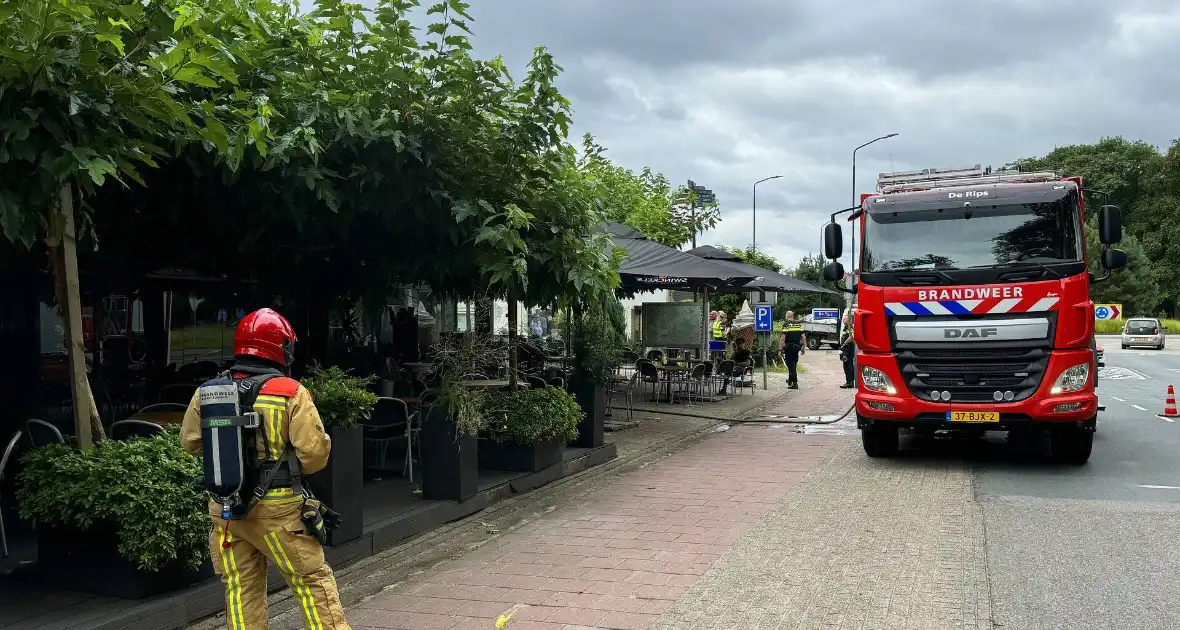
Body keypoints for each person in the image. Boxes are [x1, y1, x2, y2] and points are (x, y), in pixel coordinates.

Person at [181, 308, 351, 630]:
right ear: (281, 348)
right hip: (279, 514)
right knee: (313, 584)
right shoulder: (290, 392)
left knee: (241, 591)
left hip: (227, 512)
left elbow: (190, 443)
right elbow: (313, 455)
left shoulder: (207, 392)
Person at [780, 311, 806, 389]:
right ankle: (790, 380)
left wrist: (779, 349)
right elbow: (803, 337)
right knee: (793, 365)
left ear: (786, 316)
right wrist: (803, 347)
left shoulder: (786, 325)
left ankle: (795, 383)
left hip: (789, 347)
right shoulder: (798, 325)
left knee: (790, 365)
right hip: (797, 347)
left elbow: (782, 338)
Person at [839, 312, 856, 388]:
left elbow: (852, 336)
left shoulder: (850, 327)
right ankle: (850, 382)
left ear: (849, 320)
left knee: (847, 366)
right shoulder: (847, 326)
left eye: (844, 319)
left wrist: (844, 343)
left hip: (848, 349)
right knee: (849, 365)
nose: (843, 320)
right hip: (847, 349)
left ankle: (849, 382)